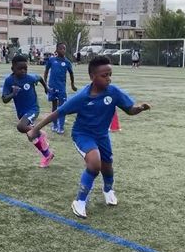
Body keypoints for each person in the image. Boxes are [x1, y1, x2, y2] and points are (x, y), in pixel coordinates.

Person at [28, 56, 150, 218]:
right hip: (83, 134)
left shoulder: (113, 92)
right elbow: (58, 112)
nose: (108, 78)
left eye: (109, 74)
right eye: (104, 75)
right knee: (94, 164)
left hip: (102, 135)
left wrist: (139, 108)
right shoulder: (82, 97)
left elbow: (129, 109)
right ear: (92, 77)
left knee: (107, 166)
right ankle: (79, 202)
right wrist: (35, 129)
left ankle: (108, 190)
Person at [2, 54, 54, 168]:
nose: (23, 71)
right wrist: (12, 94)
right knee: (31, 136)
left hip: (33, 109)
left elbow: (39, 78)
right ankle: (47, 155)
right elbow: (4, 99)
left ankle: (40, 133)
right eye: (20, 69)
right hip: (22, 113)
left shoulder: (30, 78)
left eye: (25, 68)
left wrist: (46, 88)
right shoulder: (9, 81)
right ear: (13, 69)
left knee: (21, 127)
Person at [43, 42, 77, 134]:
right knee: (54, 106)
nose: (63, 50)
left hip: (62, 88)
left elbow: (71, 73)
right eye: (61, 48)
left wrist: (73, 84)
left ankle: (60, 127)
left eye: (64, 49)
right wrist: (45, 84)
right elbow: (46, 71)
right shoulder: (51, 60)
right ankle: (54, 125)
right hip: (52, 87)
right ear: (57, 50)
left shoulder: (67, 62)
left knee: (62, 107)